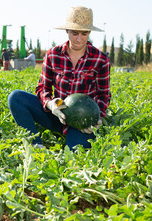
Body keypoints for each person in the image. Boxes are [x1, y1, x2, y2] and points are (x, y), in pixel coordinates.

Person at [8, 6, 111, 150]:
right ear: (67, 31)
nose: (79, 39)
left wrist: (96, 118)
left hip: (82, 122)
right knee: (16, 97)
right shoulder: (53, 54)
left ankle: (74, 137)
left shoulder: (100, 59)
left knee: (72, 157)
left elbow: (104, 95)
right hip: (57, 115)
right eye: (75, 33)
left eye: (84, 33)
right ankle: (35, 145)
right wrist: (50, 104)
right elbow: (43, 87)